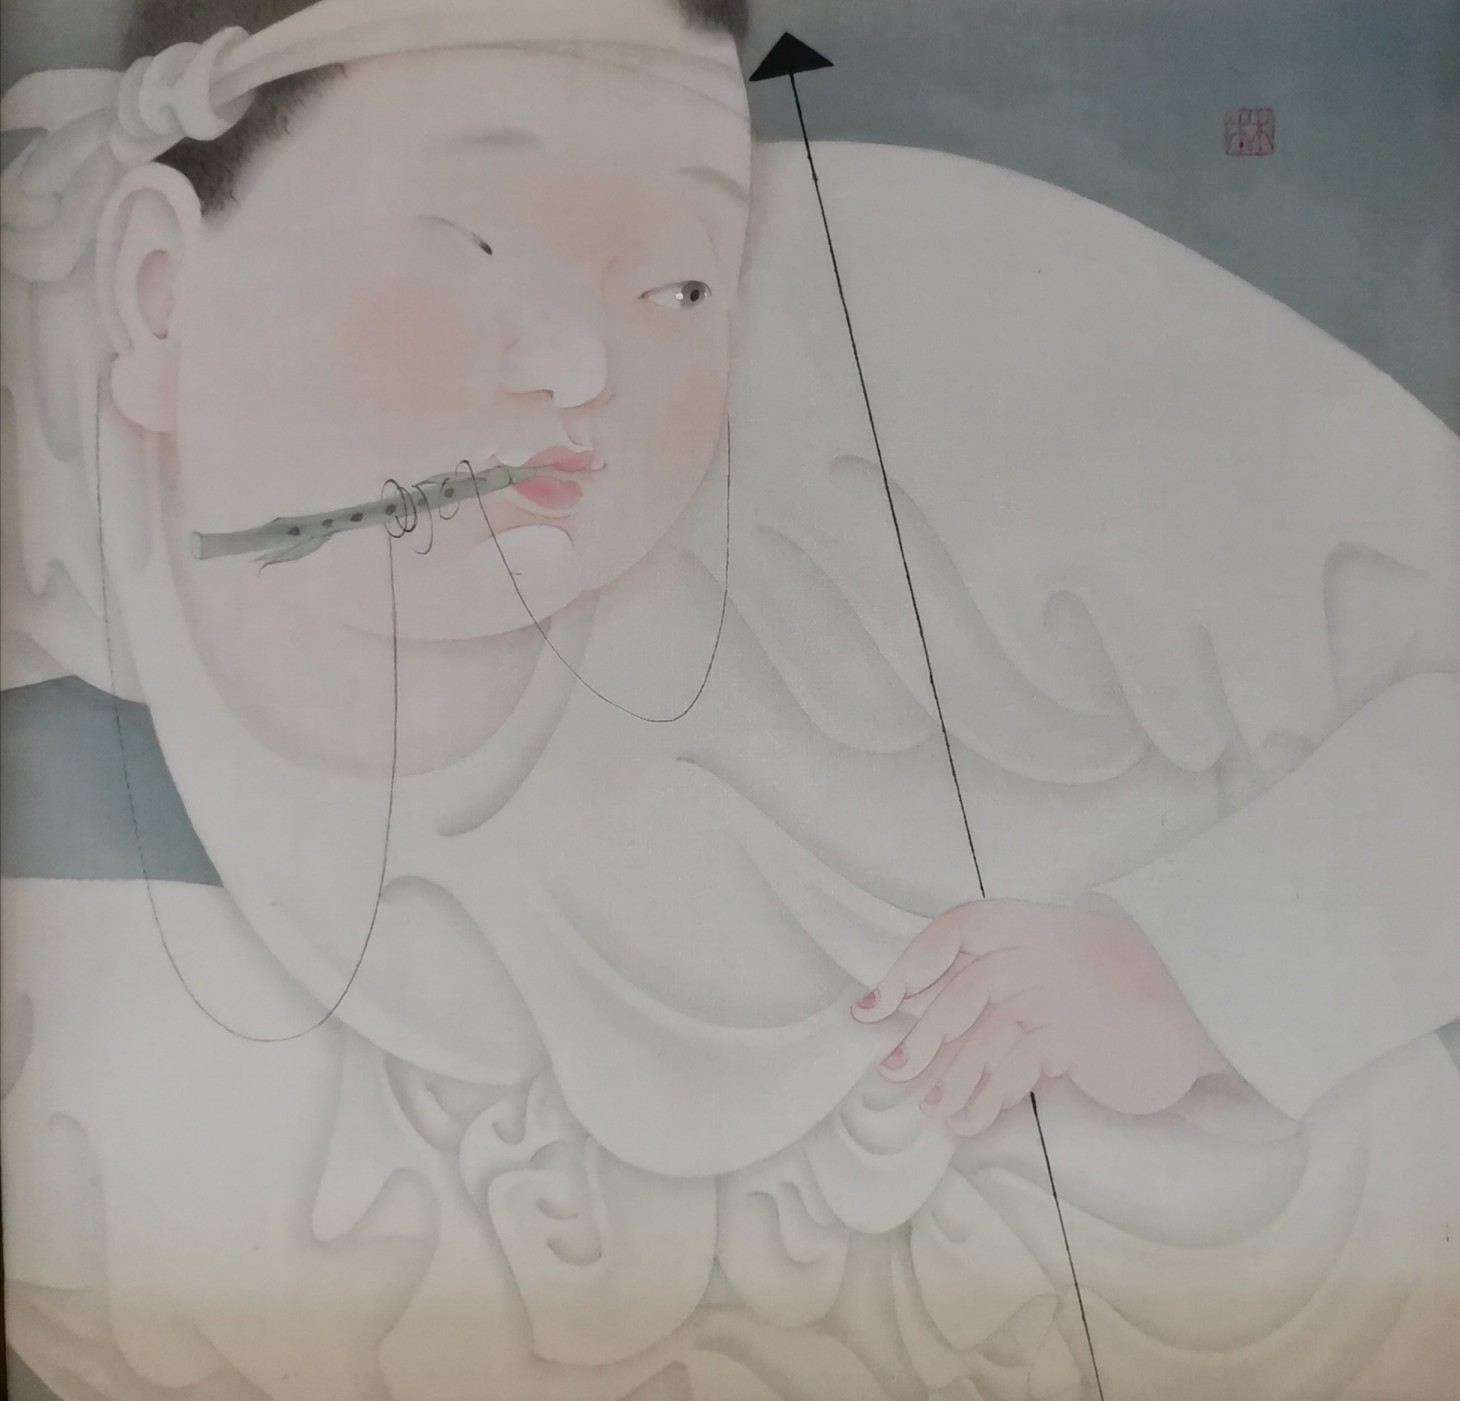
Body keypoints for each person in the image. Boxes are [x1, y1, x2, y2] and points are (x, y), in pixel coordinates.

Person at [2, 1, 1457, 1398]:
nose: (582, 371)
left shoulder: (923, 323)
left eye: (679, 289)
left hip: (1266, 1281)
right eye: (471, 246)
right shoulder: (80, 373)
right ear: (154, 289)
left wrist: (1193, 973)